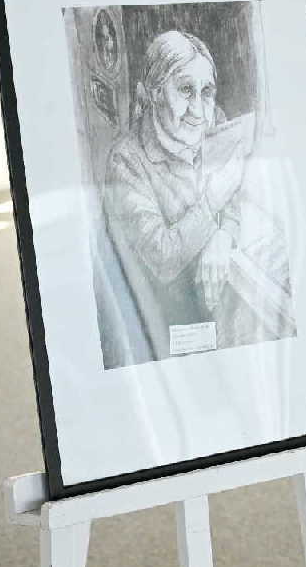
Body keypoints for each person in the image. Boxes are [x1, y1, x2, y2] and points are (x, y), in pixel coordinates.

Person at [102, 27, 294, 361]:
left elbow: (235, 195)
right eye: (185, 90)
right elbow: (162, 257)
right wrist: (211, 201)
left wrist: (223, 235)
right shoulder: (125, 161)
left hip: (222, 296)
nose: (199, 110)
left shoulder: (213, 121)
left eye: (206, 92)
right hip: (164, 323)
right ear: (155, 94)